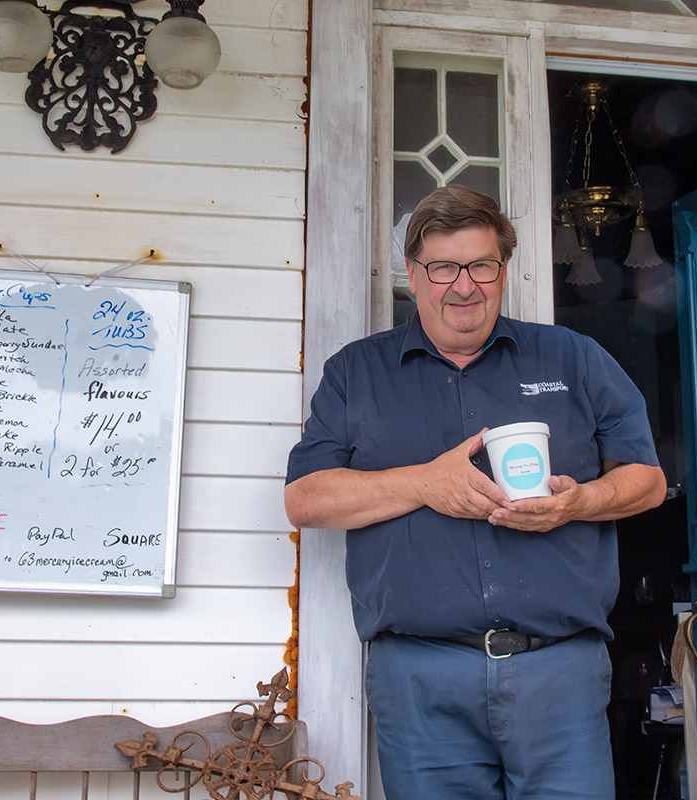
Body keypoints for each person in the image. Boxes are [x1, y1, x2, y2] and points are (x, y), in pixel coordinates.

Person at [284, 185, 667, 800]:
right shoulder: (356, 373)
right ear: (413, 273)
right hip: (420, 677)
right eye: (443, 267)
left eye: (481, 266)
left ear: (503, 271)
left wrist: (581, 503)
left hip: (560, 671)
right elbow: (306, 499)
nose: (464, 286)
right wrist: (423, 483)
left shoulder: (574, 358)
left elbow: (646, 482)